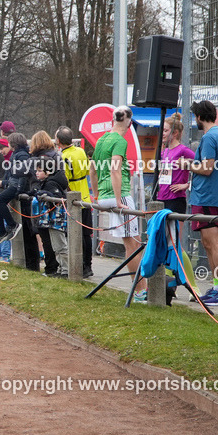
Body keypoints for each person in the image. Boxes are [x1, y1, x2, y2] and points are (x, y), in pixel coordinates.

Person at [88, 106, 148, 299]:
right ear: (129, 122)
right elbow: (115, 170)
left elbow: (92, 170)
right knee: (134, 244)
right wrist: (119, 200)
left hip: (105, 196)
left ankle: (139, 287)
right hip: (118, 195)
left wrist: (97, 195)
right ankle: (140, 291)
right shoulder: (120, 141)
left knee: (130, 243)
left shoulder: (101, 140)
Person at [180, 100, 218, 305]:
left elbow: (207, 168)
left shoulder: (210, 137)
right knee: (208, 243)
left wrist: (188, 164)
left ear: (200, 117)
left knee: (212, 243)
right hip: (206, 196)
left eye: (196, 116)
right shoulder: (216, 135)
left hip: (207, 197)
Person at [29, 131, 67, 276]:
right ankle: (54, 268)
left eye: (39, 171)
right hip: (47, 218)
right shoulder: (55, 156)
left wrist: (44, 194)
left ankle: (63, 270)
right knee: (50, 243)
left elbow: (55, 195)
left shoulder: (51, 181)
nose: (36, 173)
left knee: (57, 245)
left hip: (53, 219)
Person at [57, 127, 93, 278]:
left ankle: (79, 265)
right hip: (85, 195)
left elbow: (65, 179)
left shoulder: (63, 156)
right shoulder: (80, 151)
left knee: (74, 234)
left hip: (73, 198)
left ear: (58, 141)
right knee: (86, 234)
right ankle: (88, 265)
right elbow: (86, 171)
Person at [0, 133, 31, 247]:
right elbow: (12, 175)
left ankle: (12, 225)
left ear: (13, 143)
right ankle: (2, 231)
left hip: (16, 186)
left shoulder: (22, 155)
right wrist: (3, 183)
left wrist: (19, 190)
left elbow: (23, 174)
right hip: (13, 184)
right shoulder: (15, 154)